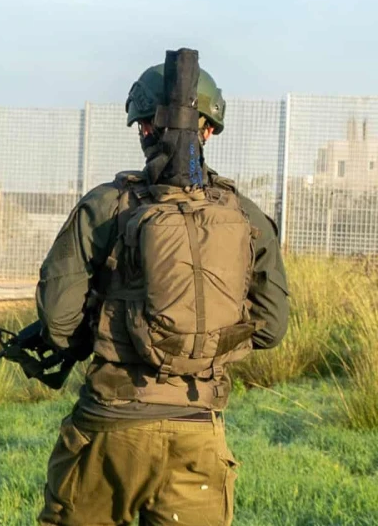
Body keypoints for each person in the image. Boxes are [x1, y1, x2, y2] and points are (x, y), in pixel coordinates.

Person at [30, 53, 290, 525]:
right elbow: (271, 327)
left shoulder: (106, 206)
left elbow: (57, 319)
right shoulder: (248, 217)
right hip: (198, 434)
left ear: (143, 128)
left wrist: (99, 332)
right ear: (209, 129)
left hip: (110, 428)